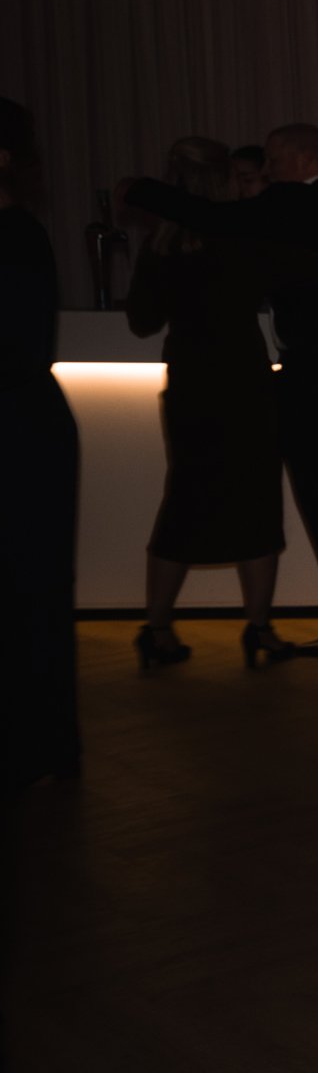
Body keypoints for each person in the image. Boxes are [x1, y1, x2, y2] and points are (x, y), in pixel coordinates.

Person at [120, 136, 318, 670]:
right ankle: (263, 628)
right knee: (262, 503)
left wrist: (137, 194)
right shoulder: (247, 238)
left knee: (186, 499)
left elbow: (141, 320)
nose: (262, 173)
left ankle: (158, 628)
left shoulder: (165, 247)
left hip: (192, 380)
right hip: (247, 380)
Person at [0, 96, 81, 792]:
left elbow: (22, 348)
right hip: (22, 422)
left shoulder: (19, 235)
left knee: (29, 592)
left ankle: (37, 749)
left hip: (21, 431)